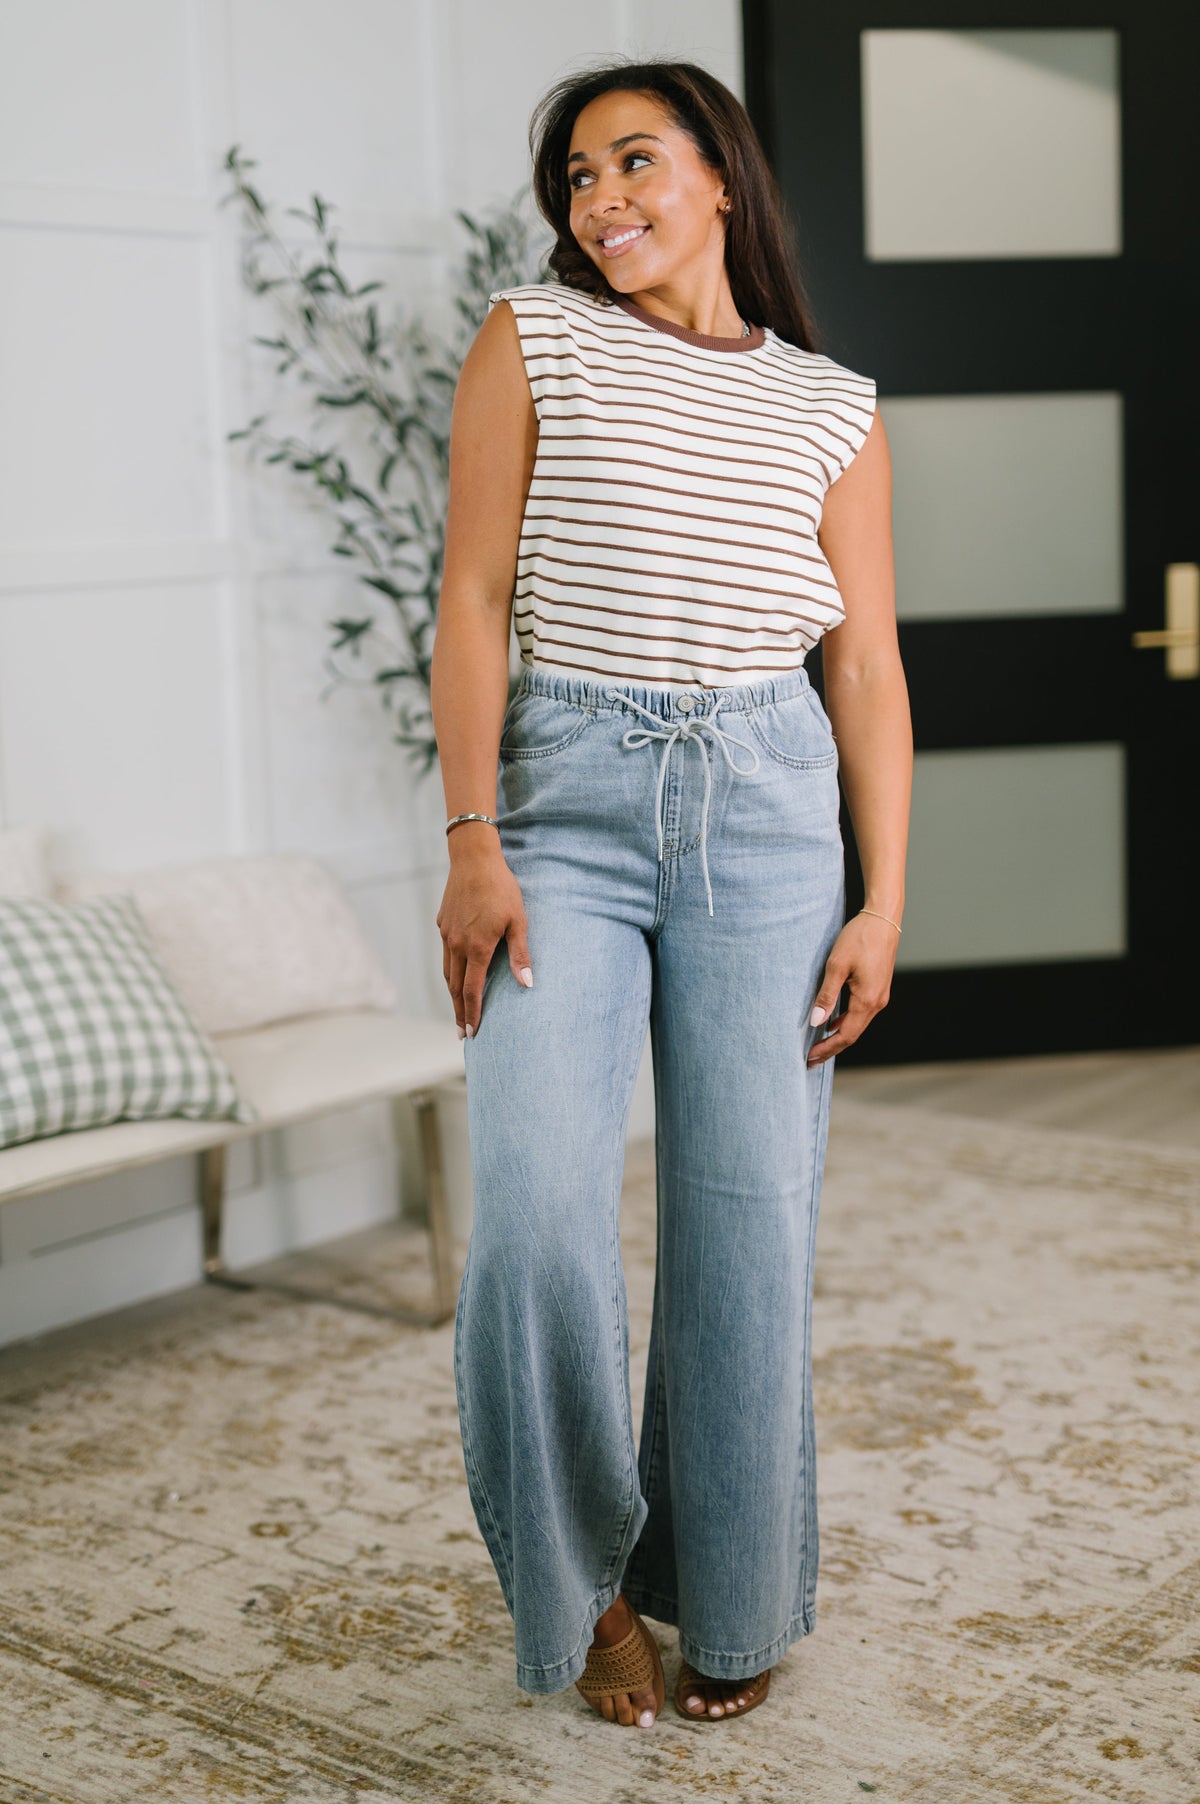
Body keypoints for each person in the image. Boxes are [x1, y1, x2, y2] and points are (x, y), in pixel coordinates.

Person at [430, 57, 912, 1731]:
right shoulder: (534, 338)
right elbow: (475, 596)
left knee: (748, 1217)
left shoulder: (832, 403)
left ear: (722, 176)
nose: (601, 197)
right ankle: (595, 1585)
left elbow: (865, 667)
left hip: (773, 811)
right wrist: (471, 838)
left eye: (636, 159)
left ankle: (738, 1585)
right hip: (563, 799)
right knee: (539, 1218)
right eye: (575, 175)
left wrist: (885, 901)